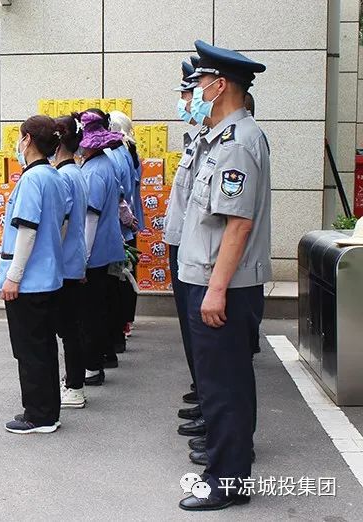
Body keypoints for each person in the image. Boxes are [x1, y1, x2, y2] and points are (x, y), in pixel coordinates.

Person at [176, 40, 269, 512]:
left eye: (200, 82)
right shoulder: (220, 138)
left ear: (222, 85)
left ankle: (227, 482)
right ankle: (228, 469)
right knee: (220, 384)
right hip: (212, 280)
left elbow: (238, 224)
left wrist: (215, 291)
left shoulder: (238, 142)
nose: (195, 90)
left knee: (224, 387)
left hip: (224, 285)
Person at [0, 115, 71, 434]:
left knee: (29, 349)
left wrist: (13, 276)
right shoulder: (54, 176)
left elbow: (27, 230)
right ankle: (48, 411)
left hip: (29, 281)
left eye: (20, 137)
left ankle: (38, 415)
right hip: (47, 276)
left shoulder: (32, 179)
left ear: (27, 139)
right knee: (43, 347)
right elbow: (62, 225)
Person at [164, 58, 208, 439]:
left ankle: (213, 414)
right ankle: (204, 395)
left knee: (208, 343)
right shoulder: (199, 139)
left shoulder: (225, 143)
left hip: (199, 254)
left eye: (188, 93)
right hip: (183, 246)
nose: (183, 102)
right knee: (193, 335)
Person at [77, 110, 127, 385]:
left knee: (90, 313)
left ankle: (92, 367)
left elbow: (90, 218)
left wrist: (82, 259)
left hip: (94, 253)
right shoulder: (103, 164)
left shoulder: (95, 171)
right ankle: (102, 356)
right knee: (100, 307)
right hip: (105, 248)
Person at [53, 115, 89, 409]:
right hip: (74, 258)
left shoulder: (64, 176)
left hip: (64, 263)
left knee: (68, 328)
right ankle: (74, 382)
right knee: (72, 326)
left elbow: (61, 224)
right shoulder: (76, 171)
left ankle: (74, 386)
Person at [107, 111, 143, 345]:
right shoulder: (129, 152)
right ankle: (126, 321)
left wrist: (126, 218)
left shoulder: (113, 156)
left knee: (119, 279)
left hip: (120, 226)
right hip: (129, 225)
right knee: (127, 275)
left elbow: (119, 196)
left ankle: (120, 326)